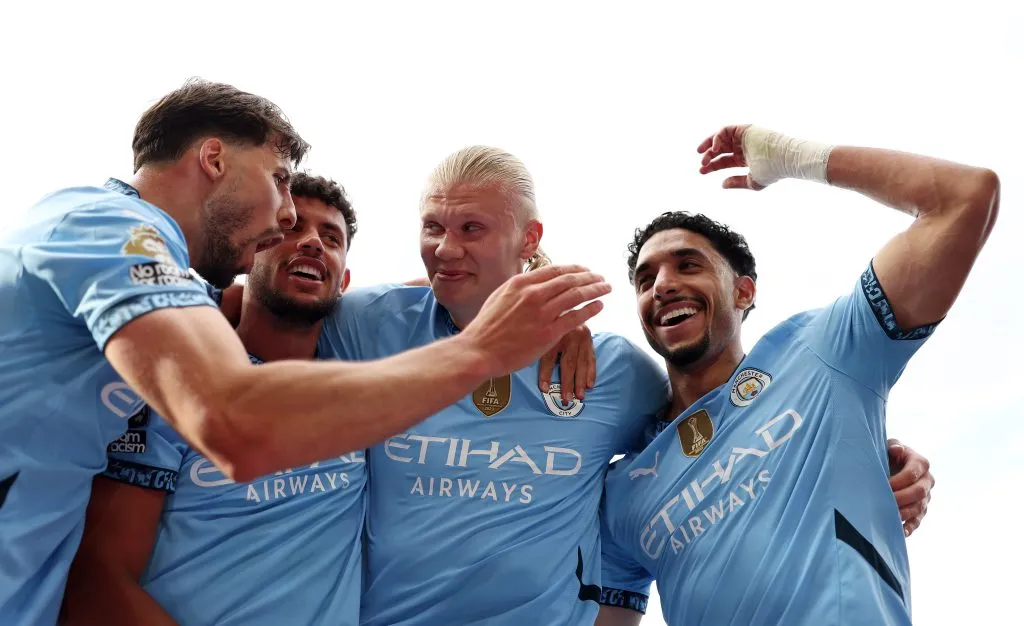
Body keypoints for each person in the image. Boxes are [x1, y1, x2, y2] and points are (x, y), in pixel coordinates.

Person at [0, 80, 607, 625]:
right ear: (213, 158)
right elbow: (232, 420)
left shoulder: (330, 347)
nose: (286, 214)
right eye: (280, 180)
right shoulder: (110, 226)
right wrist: (484, 348)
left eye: (328, 236)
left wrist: (547, 305)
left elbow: (445, 287)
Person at [313, 146, 938, 625]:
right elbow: (263, 325)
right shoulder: (364, 326)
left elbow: (699, 433)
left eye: (471, 229)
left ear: (528, 239)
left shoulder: (612, 371)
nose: (445, 249)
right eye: (432, 228)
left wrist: (870, 457)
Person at [596, 124, 997, 625]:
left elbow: (965, 198)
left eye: (688, 265)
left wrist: (791, 157)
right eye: (645, 278)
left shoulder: (823, 351)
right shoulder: (622, 492)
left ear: (744, 292)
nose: (664, 285)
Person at [60, 173, 365, 625]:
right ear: (251, 255)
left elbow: (438, 300)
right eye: (293, 228)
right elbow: (96, 576)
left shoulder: (362, 390)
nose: (313, 243)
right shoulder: (178, 380)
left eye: (331, 237)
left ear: (344, 283)